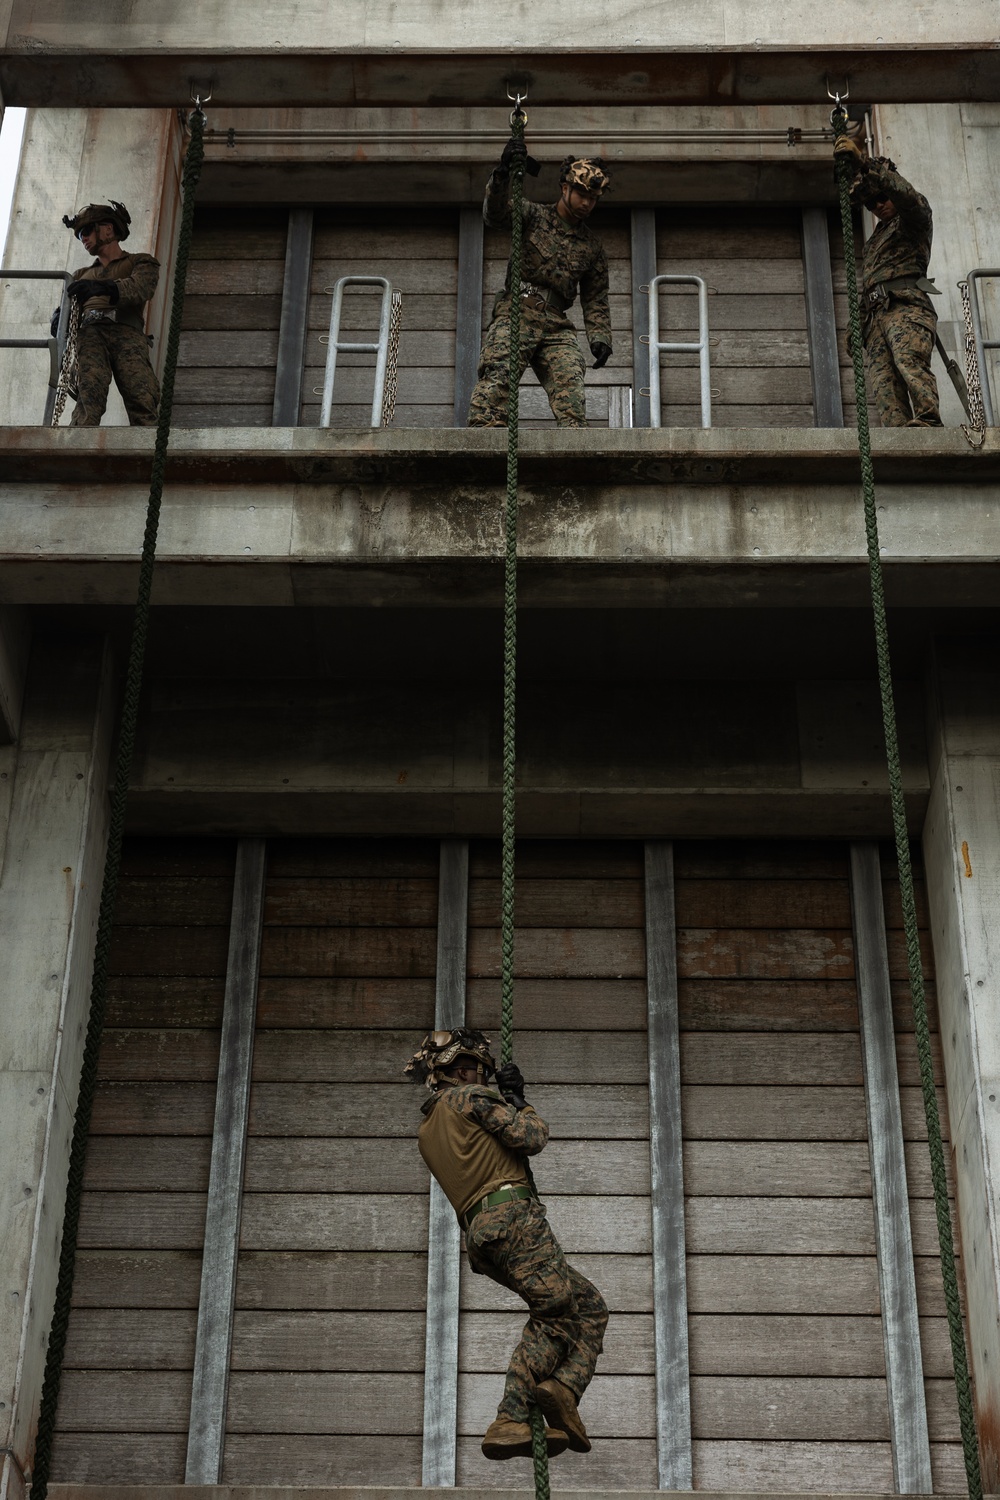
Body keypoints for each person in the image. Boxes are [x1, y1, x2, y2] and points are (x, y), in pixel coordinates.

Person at [405, 1027, 608, 1460]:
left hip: (484, 1237)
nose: (480, 1077)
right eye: (478, 1070)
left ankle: (563, 1389)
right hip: (514, 1219)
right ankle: (511, 1417)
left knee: (589, 1305)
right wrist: (518, 1099)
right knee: (554, 1311)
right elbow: (531, 1137)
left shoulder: (427, 1129)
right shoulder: (467, 1098)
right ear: (463, 1070)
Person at [467, 153, 613, 428]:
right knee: (498, 374)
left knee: (570, 381)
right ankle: (486, 439)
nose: (586, 203)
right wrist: (503, 174)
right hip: (517, 311)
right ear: (565, 188)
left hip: (556, 323)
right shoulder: (532, 215)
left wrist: (600, 337)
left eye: (593, 198)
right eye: (581, 194)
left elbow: (595, 297)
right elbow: (494, 214)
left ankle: (574, 445)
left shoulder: (592, 247)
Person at [834, 137, 942, 427]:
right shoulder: (874, 243)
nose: (878, 205)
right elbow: (871, 284)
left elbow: (906, 195)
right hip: (877, 316)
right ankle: (899, 435)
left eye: (882, 197)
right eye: (871, 203)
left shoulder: (914, 219)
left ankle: (929, 422)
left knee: (909, 362)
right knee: (884, 383)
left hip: (906, 307)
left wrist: (865, 163)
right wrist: (855, 326)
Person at [61, 200, 161, 427]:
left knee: (141, 397)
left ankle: (149, 455)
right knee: (89, 398)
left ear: (107, 229)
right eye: (79, 236)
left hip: (127, 334)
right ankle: (78, 449)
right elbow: (65, 314)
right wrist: (59, 320)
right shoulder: (80, 275)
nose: (83, 239)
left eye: (86, 231)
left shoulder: (140, 261)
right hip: (90, 335)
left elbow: (141, 288)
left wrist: (105, 288)